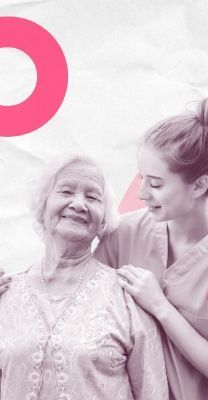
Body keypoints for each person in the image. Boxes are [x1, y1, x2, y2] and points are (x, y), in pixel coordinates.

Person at [93, 96, 208, 400]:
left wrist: (161, 306)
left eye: (155, 183)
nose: (141, 193)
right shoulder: (122, 234)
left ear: (199, 186)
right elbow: (79, 308)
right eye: (142, 178)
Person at [0, 155, 167, 400]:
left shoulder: (127, 298)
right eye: (66, 191)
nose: (79, 204)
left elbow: (154, 393)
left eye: (92, 197)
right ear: (41, 209)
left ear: (103, 222)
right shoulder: (6, 294)